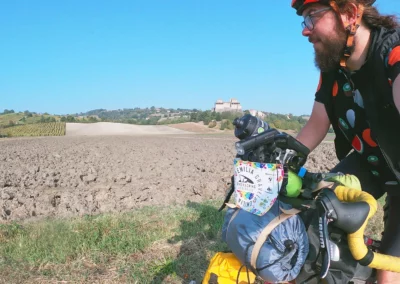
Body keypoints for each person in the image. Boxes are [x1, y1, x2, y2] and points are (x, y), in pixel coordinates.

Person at [290, 0, 400, 283]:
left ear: (350, 14)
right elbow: (316, 125)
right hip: (372, 162)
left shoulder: (393, 52)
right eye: (304, 20)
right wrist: (281, 158)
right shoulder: (332, 69)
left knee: (389, 275)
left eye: (313, 16)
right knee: (317, 217)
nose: (306, 30)